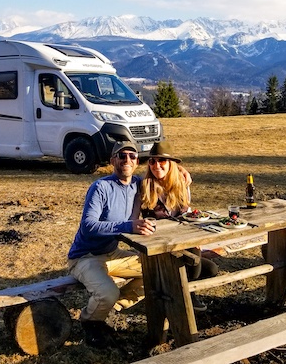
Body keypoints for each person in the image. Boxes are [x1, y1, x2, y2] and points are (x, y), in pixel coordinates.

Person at [67, 141, 155, 349]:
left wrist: (183, 176)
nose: (127, 160)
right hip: (85, 257)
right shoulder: (101, 187)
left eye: (132, 156)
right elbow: (89, 225)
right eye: (121, 155)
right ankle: (90, 321)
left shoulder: (138, 184)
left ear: (137, 162)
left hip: (113, 253)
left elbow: (164, 180)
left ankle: (110, 309)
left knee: (155, 273)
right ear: (112, 160)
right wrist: (128, 225)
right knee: (107, 292)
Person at [140, 141, 218, 312]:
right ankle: (187, 296)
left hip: (183, 240)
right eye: (152, 161)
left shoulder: (181, 185)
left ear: (171, 164)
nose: (156, 165)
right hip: (161, 245)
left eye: (162, 161)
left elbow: (188, 214)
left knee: (211, 268)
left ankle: (183, 288)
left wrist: (181, 170)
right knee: (194, 256)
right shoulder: (144, 186)